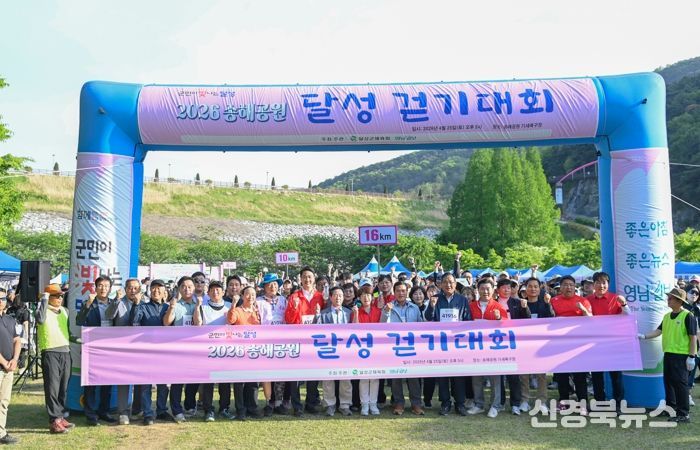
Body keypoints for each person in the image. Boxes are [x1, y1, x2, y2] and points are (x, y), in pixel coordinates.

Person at [639, 288, 697, 423]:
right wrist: (643, 336)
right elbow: (658, 331)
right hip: (669, 354)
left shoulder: (688, 316)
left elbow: (693, 337)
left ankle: (683, 414)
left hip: (682, 356)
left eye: (670, 298)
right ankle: (670, 408)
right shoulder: (666, 316)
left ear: (679, 301)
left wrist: (691, 357)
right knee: (669, 382)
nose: (668, 300)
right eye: (668, 298)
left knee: (680, 385)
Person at [425, 273, 473, 416]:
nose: (448, 285)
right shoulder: (435, 299)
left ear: (455, 283)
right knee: (443, 374)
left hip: (458, 343)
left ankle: (460, 403)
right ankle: (445, 403)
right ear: (440, 284)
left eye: (451, 282)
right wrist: (432, 306)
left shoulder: (462, 300)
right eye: (445, 282)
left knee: (458, 374)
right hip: (441, 344)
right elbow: (428, 318)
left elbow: (468, 319)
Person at [76, 275, 117, 426]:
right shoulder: (89, 303)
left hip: (109, 348)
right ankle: (91, 414)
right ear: (95, 287)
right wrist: (88, 304)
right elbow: (79, 321)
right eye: (100, 285)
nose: (103, 288)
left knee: (107, 382)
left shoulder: (115, 303)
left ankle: (104, 411)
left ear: (110, 289)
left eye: (106, 286)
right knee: (91, 383)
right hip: (92, 348)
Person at [284, 266, 325, 416]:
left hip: (315, 342)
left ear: (314, 278)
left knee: (313, 374)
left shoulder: (320, 296)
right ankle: (297, 405)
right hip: (298, 340)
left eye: (310, 277)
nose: (307, 279)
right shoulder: (294, 297)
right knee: (295, 374)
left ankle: (311, 403)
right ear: (300, 279)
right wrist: (294, 309)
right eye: (304, 277)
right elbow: (289, 320)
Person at [586, 271, 630, 408]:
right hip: (594, 344)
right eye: (598, 282)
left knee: (616, 375)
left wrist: (624, 304)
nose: (601, 285)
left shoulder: (615, 298)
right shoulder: (587, 300)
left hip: (613, 343)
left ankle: (619, 403)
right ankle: (599, 402)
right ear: (593, 284)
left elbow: (627, 317)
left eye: (604, 282)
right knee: (596, 376)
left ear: (608, 284)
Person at [130, 279, 172, 424]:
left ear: (164, 291)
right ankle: (147, 413)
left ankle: (161, 410)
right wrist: (136, 304)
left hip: (164, 351)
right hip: (146, 351)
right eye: (153, 288)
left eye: (159, 288)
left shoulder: (168, 307)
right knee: (145, 384)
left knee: (163, 384)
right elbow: (134, 323)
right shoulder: (143, 306)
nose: (156, 291)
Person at [551, 275, 593, 414]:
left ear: (575, 287)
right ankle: (563, 401)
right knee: (561, 375)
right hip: (559, 343)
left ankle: (583, 403)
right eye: (565, 284)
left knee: (580, 375)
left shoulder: (583, 301)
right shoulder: (554, 301)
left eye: (571, 284)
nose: (568, 287)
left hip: (578, 344)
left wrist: (583, 310)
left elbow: (591, 320)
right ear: (560, 287)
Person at [36, 284, 74, 435]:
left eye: (61, 296)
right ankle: (54, 421)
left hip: (65, 351)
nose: (59, 298)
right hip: (50, 352)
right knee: (52, 387)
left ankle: (60, 416)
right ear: (48, 297)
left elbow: (67, 332)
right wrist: (44, 299)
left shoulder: (65, 311)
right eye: (56, 296)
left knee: (63, 387)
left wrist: (78, 339)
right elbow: (40, 320)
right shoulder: (42, 309)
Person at [382, 281, 424, 416]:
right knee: (396, 377)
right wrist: (386, 312)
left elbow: (421, 327)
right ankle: (398, 403)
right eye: (398, 291)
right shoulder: (388, 307)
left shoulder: (414, 308)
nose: (401, 293)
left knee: (413, 377)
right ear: (394, 292)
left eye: (403, 291)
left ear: (407, 292)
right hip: (395, 347)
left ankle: (416, 404)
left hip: (411, 347)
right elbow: (381, 325)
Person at [193, 280, 232, 422]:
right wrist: (197, 306)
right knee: (208, 382)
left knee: (225, 382)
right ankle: (208, 410)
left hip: (225, 350)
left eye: (218, 290)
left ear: (223, 292)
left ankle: (224, 408)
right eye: (212, 290)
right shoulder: (202, 307)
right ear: (208, 293)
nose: (215, 292)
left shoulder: (229, 306)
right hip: (208, 350)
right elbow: (197, 323)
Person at [106, 278, 143, 425]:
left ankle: (138, 409)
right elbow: (109, 315)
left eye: (136, 288)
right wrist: (116, 300)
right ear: (125, 289)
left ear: (140, 289)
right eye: (130, 288)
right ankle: (123, 412)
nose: (133, 291)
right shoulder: (119, 302)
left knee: (141, 380)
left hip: (140, 348)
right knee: (123, 380)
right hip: (122, 348)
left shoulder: (144, 302)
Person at [468, 278, 506, 418]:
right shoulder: (471, 306)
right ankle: (478, 404)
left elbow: (507, 326)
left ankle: (495, 405)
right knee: (476, 377)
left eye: (488, 289)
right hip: (476, 347)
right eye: (482, 289)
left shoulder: (498, 307)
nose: (485, 291)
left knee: (495, 378)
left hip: (493, 349)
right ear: (478, 290)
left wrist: (499, 319)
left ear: (493, 290)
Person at [162, 276, 198, 422]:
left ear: (194, 288)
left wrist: (198, 307)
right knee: (177, 381)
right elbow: (166, 323)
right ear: (179, 289)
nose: (187, 289)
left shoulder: (200, 304)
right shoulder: (175, 305)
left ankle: (190, 406)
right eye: (183, 286)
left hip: (195, 348)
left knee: (194, 379)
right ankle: (177, 410)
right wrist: (171, 307)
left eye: (190, 286)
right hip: (178, 348)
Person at [516, 277, 553, 414]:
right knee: (524, 374)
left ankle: (542, 401)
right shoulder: (520, 304)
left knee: (541, 375)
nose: (533, 289)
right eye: (530, 286)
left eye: (535, 286)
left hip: (541, 345)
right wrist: (524, 308)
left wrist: (548, 304)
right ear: (525, 289)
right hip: (524, 345)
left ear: (539, 289)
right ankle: (524, 400)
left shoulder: (544, 303)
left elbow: (552, 319)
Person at [314, 286, 353, 416]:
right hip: (329, 350)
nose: (338, 298)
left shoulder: (349, 313)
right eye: (335, 295)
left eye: (340, 295)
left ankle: (345, 405)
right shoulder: (324, 313)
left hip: (345, 351)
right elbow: (316, 331)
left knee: (346, 378)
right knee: (328, 378)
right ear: (330, 297)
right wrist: (317, 315)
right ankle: (329, 404)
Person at [227, 286, 262, 420]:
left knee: (253, 382)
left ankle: (252, 407)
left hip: (254, 351)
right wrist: (233, 304)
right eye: (248, 294)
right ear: (242, 296)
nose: (250, 297)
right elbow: (230, 320)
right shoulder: (237, 310)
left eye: (253, 294)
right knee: (239, 382)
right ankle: (241, 409)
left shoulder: (257, 311)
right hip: (240, 352)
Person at [255, 273, 288, 416]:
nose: (272, 286)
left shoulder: (284, 300)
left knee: (280, 373)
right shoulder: (258, 301)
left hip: (281, 341)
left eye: (275, 284)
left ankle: (279, 402)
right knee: (266, 372)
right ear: (264, 286)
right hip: (264, 341)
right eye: (269, 284)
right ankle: (269, 402)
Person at [495, 278, 527, 415]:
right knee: (499, 376)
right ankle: (500, 402)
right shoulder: (493, 303)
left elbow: (526, 320)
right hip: (497, 343)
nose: (507, 290)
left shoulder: (518, 303)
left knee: (513, 375)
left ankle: (515, 403)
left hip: (513, 343)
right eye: (504, 287)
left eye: (509, 287)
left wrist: (525, 308)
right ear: (498, 290)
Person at [352, 291, 381, 416]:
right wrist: (356, 314)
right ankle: (364, 404)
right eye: (363, 295)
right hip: (361, 350)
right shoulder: (356, 311)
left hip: (376, 349)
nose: (366, 297)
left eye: (368, 295)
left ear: (372, 297)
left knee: (374, 377)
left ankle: (373, 404)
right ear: (359, 297)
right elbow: (354, 330)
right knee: (363, 377)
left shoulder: (378, 311)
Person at [0, 287, 21, 443]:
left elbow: (17, 340)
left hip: (9, 367)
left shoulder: (9, 319)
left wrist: (14, 359)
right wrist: (4, 362)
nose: (1, 301)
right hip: (2, 366)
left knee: (4, 401)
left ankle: (1, 432)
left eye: (3, 298)